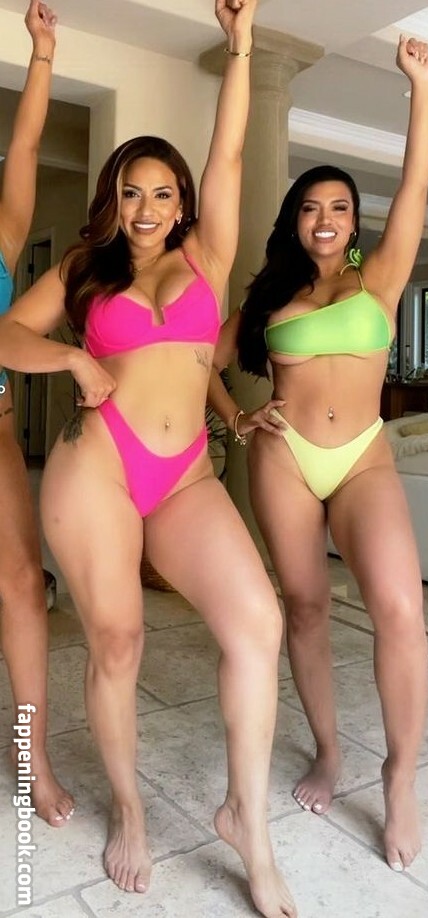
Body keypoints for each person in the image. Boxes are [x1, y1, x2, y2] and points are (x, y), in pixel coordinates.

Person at [0, 2, 297, 914]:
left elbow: (230, 155)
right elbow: (7, 334)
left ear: (183, 205)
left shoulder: (209, 256)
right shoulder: (84, 267)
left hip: (185, 475)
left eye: (163, 193)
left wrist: (241, 49)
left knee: (258, 624)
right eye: (131, 192)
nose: (146, 208)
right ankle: (128, 808)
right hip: (97, 468)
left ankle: (246, 821)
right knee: (118, 642)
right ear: (113, 199)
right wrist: (73, 359)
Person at [208, 34, 428, 874]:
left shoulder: (382, 278)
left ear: (354, 221)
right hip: (285, 457)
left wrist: (422, 88)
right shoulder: (270, 296)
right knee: (303, 609)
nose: (326, 219)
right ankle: (330, 752)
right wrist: (238, 419)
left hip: (365, 454)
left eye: (339, 207)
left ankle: (400, 776)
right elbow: (198, 360)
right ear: (295, 221)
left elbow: (416, 183)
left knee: (400, 610)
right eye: (311, 207)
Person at [0, 0, 74, 826]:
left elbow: (23, 147)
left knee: (23, 583)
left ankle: (33, 759)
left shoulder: (2, 235)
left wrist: (42, 53)